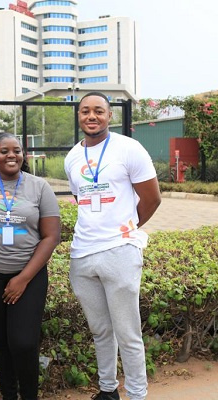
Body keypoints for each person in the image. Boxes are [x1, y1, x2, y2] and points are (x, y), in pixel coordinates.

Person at [64, 92, 161, 400]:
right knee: (100, 330)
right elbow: (83, 201)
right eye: (85, 111)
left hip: (120, 251)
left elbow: (152, 198)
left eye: (99, 111)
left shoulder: (129, 149)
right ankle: (108, 390)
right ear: (79, 116)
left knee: (127, 332)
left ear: (109, 115)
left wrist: (127, 228)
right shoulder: (72, 158)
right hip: (82, 254)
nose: (91, 117)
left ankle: (136, 394)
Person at [0, 132, 61, 400]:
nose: (11, 155)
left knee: (24, 342)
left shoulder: (40, 187)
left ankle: (29, 396)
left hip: (29, 276)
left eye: (16, 150)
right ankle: (9, 396)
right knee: (1, 341)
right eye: (4, 151)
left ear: (23, 155)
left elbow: (51, 236)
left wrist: (23, 278)